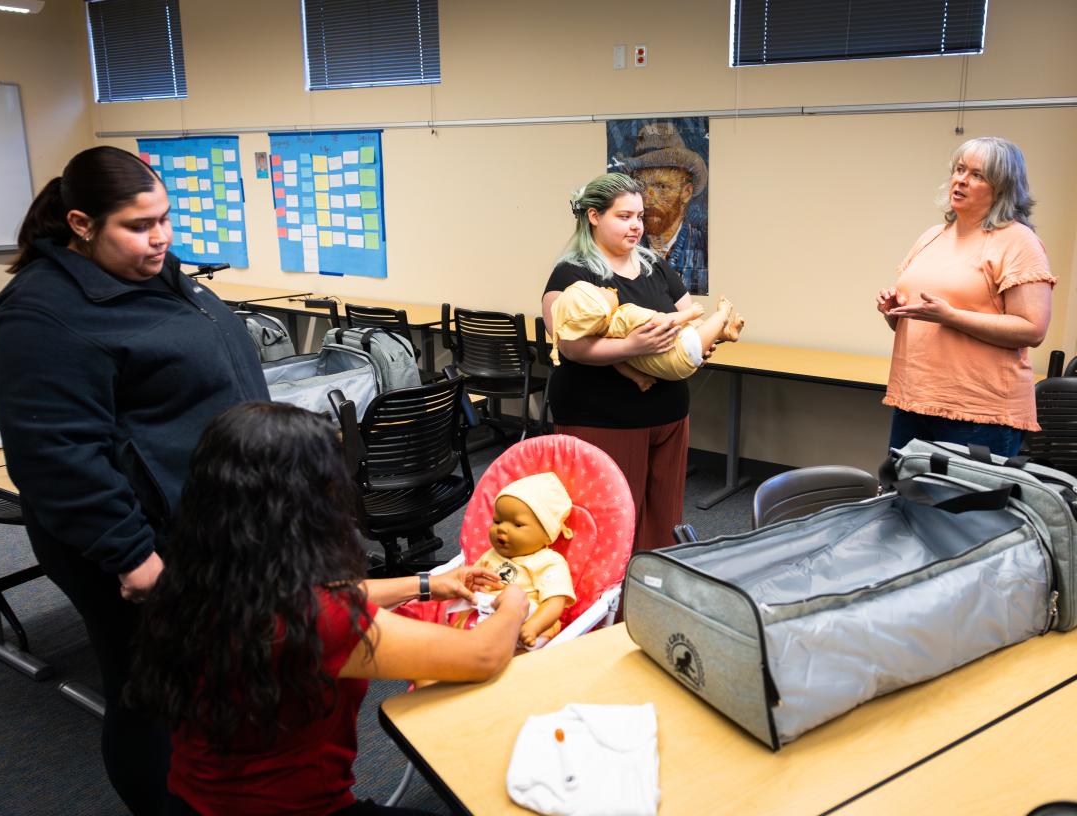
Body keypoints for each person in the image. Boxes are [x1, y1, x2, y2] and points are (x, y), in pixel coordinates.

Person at [0, 146, 270, 814]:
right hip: (135, 540)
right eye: (139, 225)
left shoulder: (157, 275)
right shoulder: (41, 316)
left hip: (203, 518)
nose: (162, 236)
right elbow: (57, 457)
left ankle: (220, 787)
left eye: (165, 218)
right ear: (81, 223)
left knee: (208, 676)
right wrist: (132, 554)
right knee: (150, 693)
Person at [126, 402, 528, 815]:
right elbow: (482, 655)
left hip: (189, 801)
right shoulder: (321, 620)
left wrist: (427, 585)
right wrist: (514, 601)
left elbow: (320, 593)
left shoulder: (193, 577)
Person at [543, 172, 708, 553]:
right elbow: (570, 347)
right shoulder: (571, 274)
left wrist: (699, 341)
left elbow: (689, 315)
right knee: (607, 522)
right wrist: (632, 346)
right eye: (624, 216)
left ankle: (650, 596)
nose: (635, 226)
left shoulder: (655, 266)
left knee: (665, 520)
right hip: (603, 417)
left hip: (668, 414)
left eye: (639, 216)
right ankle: (604, 608)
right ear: (594, 217)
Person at [877, 136, 1054, 457]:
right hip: (915, 400)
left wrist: (950, 316)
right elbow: (921, 322)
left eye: (977, 175)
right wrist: (894, 313)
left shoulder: (1017, 242)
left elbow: (1033, 329)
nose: (961, 179)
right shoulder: (932, 237)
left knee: (964, 507)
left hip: (978, 413)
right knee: (903, 503)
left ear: (1002, 188)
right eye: (959, 170)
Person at [448, 472, 577, 649]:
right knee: (454, 635)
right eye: (498, 521)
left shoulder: (549, 562)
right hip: (484, 616)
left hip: (526, 623)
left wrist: (534, 627)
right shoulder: (491, 555)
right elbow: (471, 581)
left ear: (547, 534)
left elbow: (555, 602)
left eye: (517, 524)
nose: (502, 529)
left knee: (522, 658)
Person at [549, 281, 744, 391]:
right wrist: (690, 313)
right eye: (599, 290)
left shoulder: (606, 336)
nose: (604, 287)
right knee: (702, 324)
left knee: (694, 330)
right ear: (600, 309)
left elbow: (619, 363)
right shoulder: (625, 315)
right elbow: (664, 320)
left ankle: (725, 333)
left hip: (670, 368)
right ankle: (723, 317)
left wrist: (639, 378)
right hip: (679, 353)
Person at [617, 121, 709, 295]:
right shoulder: (622, 249)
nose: (648, 199)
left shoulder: (702, 248)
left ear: (686, 192)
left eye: (661, 187)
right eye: (641, 186)